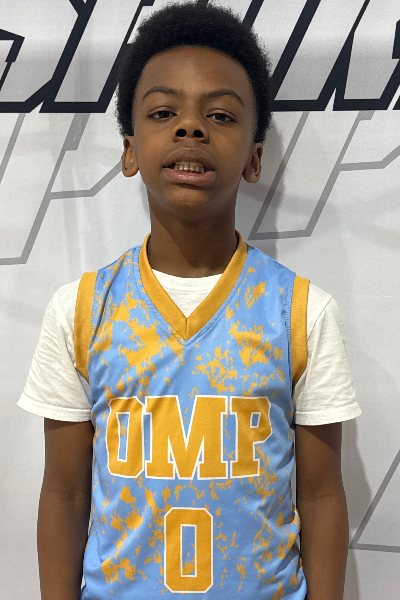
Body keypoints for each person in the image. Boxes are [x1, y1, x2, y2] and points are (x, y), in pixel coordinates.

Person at [18, 2, 361, 599]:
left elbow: (321, 495)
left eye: (220, 115)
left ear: (254, 157)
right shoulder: (81, 310)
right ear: (130, 151)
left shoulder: (301, 313)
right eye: (163, 112)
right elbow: (66, 493)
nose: (191, 128)